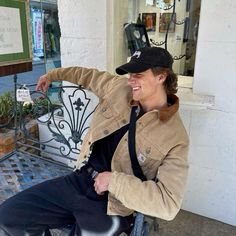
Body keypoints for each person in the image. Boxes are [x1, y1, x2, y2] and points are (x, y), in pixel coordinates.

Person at [0, 47, 189, 235]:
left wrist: (114, 182)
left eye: (138, 74)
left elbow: (168, 204)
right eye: (130, 74)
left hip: (113, 206)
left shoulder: (175, 137)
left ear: (161, 77)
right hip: (80, 180)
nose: (131, 81)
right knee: (8, 217)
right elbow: (87, 75)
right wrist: (52, 75)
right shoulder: (119, 88)